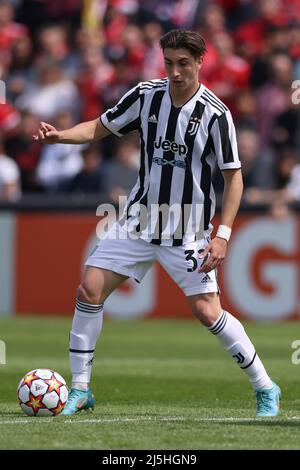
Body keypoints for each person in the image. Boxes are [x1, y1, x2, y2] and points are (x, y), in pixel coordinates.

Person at [33, 29, 281, 417]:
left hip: (187, 229)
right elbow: (102, 126)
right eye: (169, 63)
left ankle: (266, 387)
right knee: (89, 288)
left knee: (207, 312)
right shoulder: (146, 94)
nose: (175, 72)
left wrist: (224, 235)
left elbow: (234, 178)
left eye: (183, 63)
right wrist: (60, 136)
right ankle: (80, 390)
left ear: (200, 62)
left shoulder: (216, 114)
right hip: (139, 218)